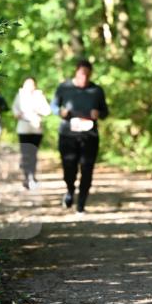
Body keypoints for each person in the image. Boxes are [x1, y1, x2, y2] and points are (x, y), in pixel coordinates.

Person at [52, 59, 109, 216]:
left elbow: (105, 111)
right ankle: (70, 190)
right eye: (82, 74)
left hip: (90, 136)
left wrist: (99, 114)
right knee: (69, 168)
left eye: (87, 75)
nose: (84, 77)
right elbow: (54, 106)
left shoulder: (97, 90)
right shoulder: (64, 87)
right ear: (76, 72)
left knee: (87, 169)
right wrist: (60, 112)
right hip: (67, 134)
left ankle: (81, 204)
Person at [12, 77, 51, 190]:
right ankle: (26, 177)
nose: (29, 87)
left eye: (32, 84)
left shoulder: (39, 96)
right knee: (25, 154)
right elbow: (15, 109)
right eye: (27, 84)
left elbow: (47, 110)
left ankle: (32, 176)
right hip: (23, 128)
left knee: (33, 153)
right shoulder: (20, 95)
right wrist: (17, 114)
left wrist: (37, 109)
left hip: (36, 129)